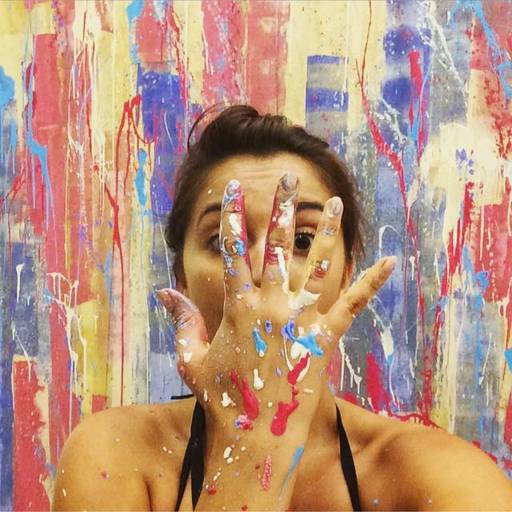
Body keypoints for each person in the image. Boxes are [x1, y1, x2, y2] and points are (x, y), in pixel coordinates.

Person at [52, 106, 512, 511]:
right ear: (182, 278)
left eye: (304, 239)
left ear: (346, 274)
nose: (261, 268)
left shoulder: (440, 475)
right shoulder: (117, 455)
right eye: (223, 240)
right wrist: (255, 440)